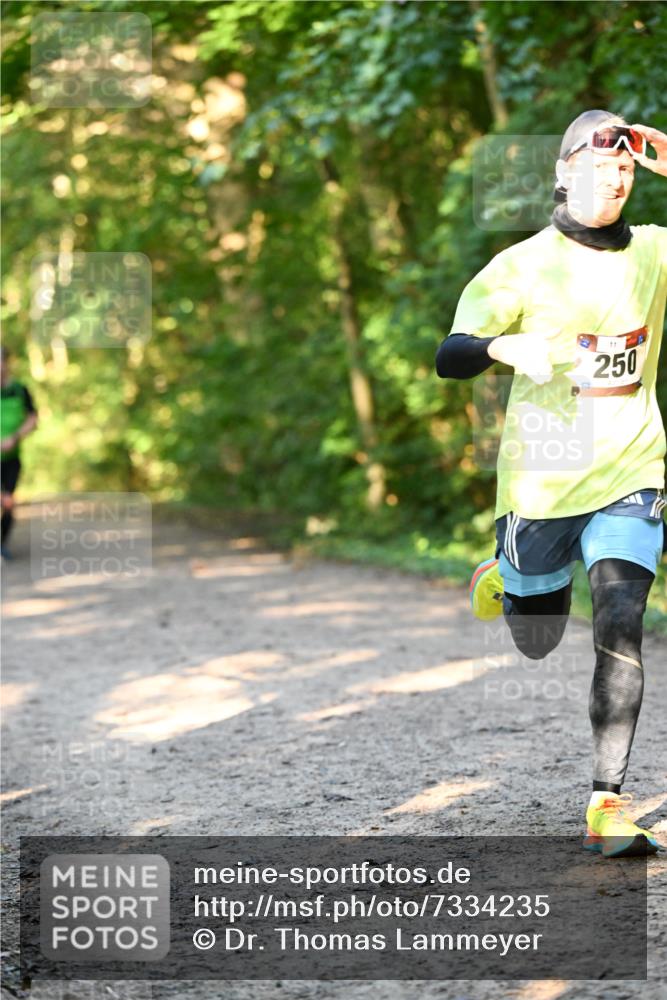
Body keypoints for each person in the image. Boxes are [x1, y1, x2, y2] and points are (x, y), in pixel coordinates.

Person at [436, 111, 667, 858]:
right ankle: (506, 576)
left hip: (632, 467)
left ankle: (607, 803)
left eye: (625, 169)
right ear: (564, 171)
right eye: (599, 168)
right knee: (536, 637)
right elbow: (449, 354)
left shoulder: (656, 250)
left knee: (620, 622)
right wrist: (502, 347)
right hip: (541, 478)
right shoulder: (521, 264)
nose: (614, 180)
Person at [1, 347, 38, 558]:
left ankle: (1, 543)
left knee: (8, 502)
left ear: (6, 363)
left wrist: (14, 438)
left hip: (11, 458)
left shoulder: (19, 390)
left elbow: (33, 419)